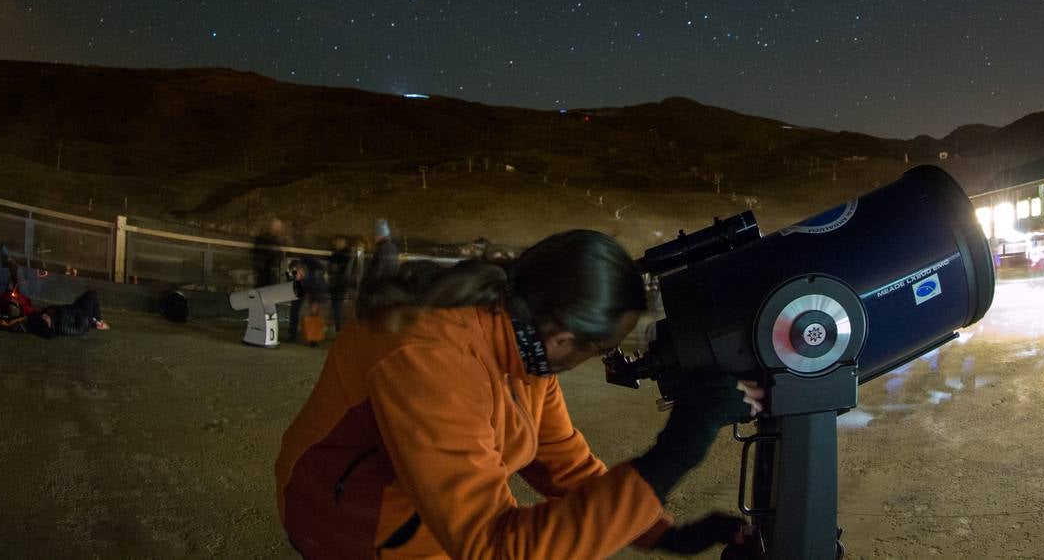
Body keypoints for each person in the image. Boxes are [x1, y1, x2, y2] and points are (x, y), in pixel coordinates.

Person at [275, 229, 762, 558]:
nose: (603, 360)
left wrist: (662, 533)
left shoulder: (524, 346)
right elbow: (491, 546)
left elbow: (563, 465)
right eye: (603, 349)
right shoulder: (430, 358)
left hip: (427, 523)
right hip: (357, 528)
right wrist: (674, 454)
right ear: (564, 336)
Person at [326, 236, 352, 335]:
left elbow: (332, 268)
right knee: (337, 306)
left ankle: (338, 328)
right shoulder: (346, 255)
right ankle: (337, 328)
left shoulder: (340, 255)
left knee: (336, 306)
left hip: (338, 284)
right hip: (340, 284)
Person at [253, 218, 287, 287]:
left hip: (269, 271)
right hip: (265, 271)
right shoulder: (265, 239)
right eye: (276, 226)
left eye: (279, 227)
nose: (278, 229)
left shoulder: (276, 239)